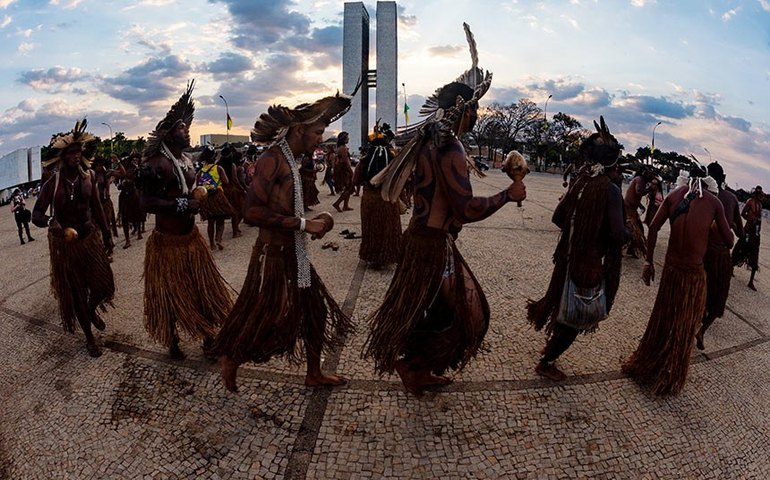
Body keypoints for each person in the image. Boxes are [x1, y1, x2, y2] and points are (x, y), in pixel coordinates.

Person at [364, 23, 525, 397]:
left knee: (437, 312)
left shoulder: (425, 142)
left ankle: (416, 366)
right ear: (463, 112)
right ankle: (413, 365)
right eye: (475, 110)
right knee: (473, 315)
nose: (477, 118)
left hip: (420, 240)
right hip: (432, 247)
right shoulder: (449, 147)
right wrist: (507, 195)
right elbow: (467, 208)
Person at [215, 85, 359, 393]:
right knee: (266, 316)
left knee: (316, 312)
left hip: (295, 253)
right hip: (273, 255)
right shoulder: (271, 159)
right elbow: (251, 211)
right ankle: (232, 356)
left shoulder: (291, 159)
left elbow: (288, 209)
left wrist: (316, 222)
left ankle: (314, 372)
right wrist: (305, 224)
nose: (321, 138)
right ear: (299, 129)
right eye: (318, 132)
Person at [138, 80, 233, 360]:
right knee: (169, 296)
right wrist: (181, 204)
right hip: (168, 246)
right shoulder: (156, 163)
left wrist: (198, 194)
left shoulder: (186, 160)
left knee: (201, 290)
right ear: (168, 134)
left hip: (192, 240)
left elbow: (186, 191)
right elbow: (146, 202)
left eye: (186, 126)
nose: (187, 130)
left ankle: (207, 337)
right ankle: (172, 340)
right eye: (181, 127)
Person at [527, 118, 627, 381]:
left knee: (564, 307)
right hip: (588, 267)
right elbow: (618, 235)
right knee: (575, 318)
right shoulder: (611, 191)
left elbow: (558, 218)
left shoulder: (580, 182)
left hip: (567, 260)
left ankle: (548, 353)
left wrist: (578, 232)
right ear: (612, 162)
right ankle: (547, 361)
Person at [623, 170, 733, 396]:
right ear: (708, 182)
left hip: (671, 271)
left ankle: (650, 361)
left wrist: (649, 263)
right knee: (684, 325)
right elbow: (730, 240)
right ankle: (670, 374)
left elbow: (653, 227)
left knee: (664, 317)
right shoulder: (713, 202)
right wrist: (710, 226)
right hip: (693, 275)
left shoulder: (674, 196)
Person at [31, 119, 115, 357]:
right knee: (77, 291)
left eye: (79, 151)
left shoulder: (88, 177)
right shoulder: (52, 184)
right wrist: (51, 223)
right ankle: (89, 338)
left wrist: (107, 234)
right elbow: (36, 215)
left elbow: (97, 207)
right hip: (67, 247)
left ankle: (90, 309)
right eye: (72, 152)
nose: (77, 156)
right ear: (62, 156)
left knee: (105, 285)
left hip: (90, 239)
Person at [695, 162, 744, 350]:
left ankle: (691, 323)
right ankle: (701, 329)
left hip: (701, 251)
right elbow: (739, 233)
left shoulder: (701, 196)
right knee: (718, 299)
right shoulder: (731, 199)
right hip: (721, 255)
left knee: (698, 291)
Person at [356, 121, 402, 269]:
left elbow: (355, 180)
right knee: (387, 229)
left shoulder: (363, 162)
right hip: (387, 199)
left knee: (372, 228)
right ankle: (387, 256)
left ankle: (373, 256)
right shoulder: (393, 162)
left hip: (370, 200)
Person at [195, 145, 234, 250]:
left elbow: (198, 185)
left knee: (210, 222)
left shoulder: (201, 171)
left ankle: (211, 243)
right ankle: (218, 239)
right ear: (214, 157)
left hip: (207, 198)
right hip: (218, 196)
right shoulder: (218, 168)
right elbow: (226, 181)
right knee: (220, 221)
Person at [733, 185, 764, 290]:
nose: (760, 196)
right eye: (759, 194)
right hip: (747, 230)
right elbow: (743, 214)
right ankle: (730, 267)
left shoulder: (760, 204)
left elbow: (759, 218)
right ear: (756, 194)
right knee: (740, 248)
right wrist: (750, 219)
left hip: (755, 233)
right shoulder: (750, 201)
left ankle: (751, 281)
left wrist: (757, 222)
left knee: (755, 254)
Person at [115, 152, 145, 249]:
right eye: (133, 159)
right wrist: (120, 184)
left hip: (134, 194)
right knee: (124, 217)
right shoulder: (121, 168)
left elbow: (138, 180)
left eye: (136, 159)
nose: (134, 161)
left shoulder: (137, 169)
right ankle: (127, 240)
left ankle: (139, 231)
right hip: (124, 195)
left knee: (138, 213)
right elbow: (117, 181)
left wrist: (129, 182)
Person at [624, 168, 654, 258]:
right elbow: (638, 192)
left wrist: (640, 205)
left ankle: (631, 250)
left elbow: (635, 195)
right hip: (629, 208)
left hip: (631, 208)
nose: (650, 176)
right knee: (635, 230)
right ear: (645, 173)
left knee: (638, 229)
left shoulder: (640, 180)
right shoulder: (639, 180)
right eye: (649, 174)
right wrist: (650, 189)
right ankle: (627, 248)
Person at [219, 146, 247, 238]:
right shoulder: (232, 166)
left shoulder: (217, 165)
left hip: (221, 190)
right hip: (232, 190)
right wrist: (242, 189)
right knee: (236, 212)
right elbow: (235, 179)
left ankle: (218, 237)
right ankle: (235, 232)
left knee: (223, 214)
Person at [332, 132, 354, 212]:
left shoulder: (340, 147)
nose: (348, 139)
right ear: (344, 139)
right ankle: (337, 203)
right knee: (349, 188)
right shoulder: (343, 148)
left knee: (348, 187)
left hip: (342, 170)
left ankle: (345, 205)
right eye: (347, 138)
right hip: (344, 170)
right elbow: (345, 161)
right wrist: (351, 171)